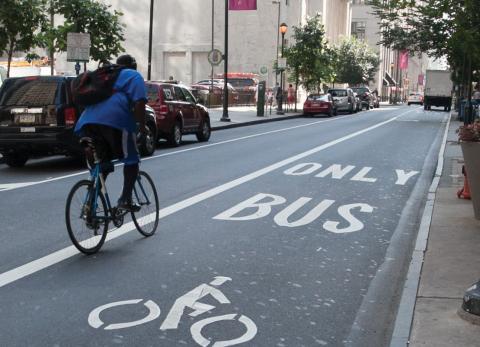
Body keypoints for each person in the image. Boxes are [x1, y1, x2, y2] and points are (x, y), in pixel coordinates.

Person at [74, 54, 147, 212]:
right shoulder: (133, 75)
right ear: (134, 66)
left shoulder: (104, 76)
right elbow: (140, 102)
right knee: (131, 160)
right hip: (115, 121)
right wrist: (141, 127)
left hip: (87, 123)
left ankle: (90, 204)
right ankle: (125, 199)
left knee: (103, 165)